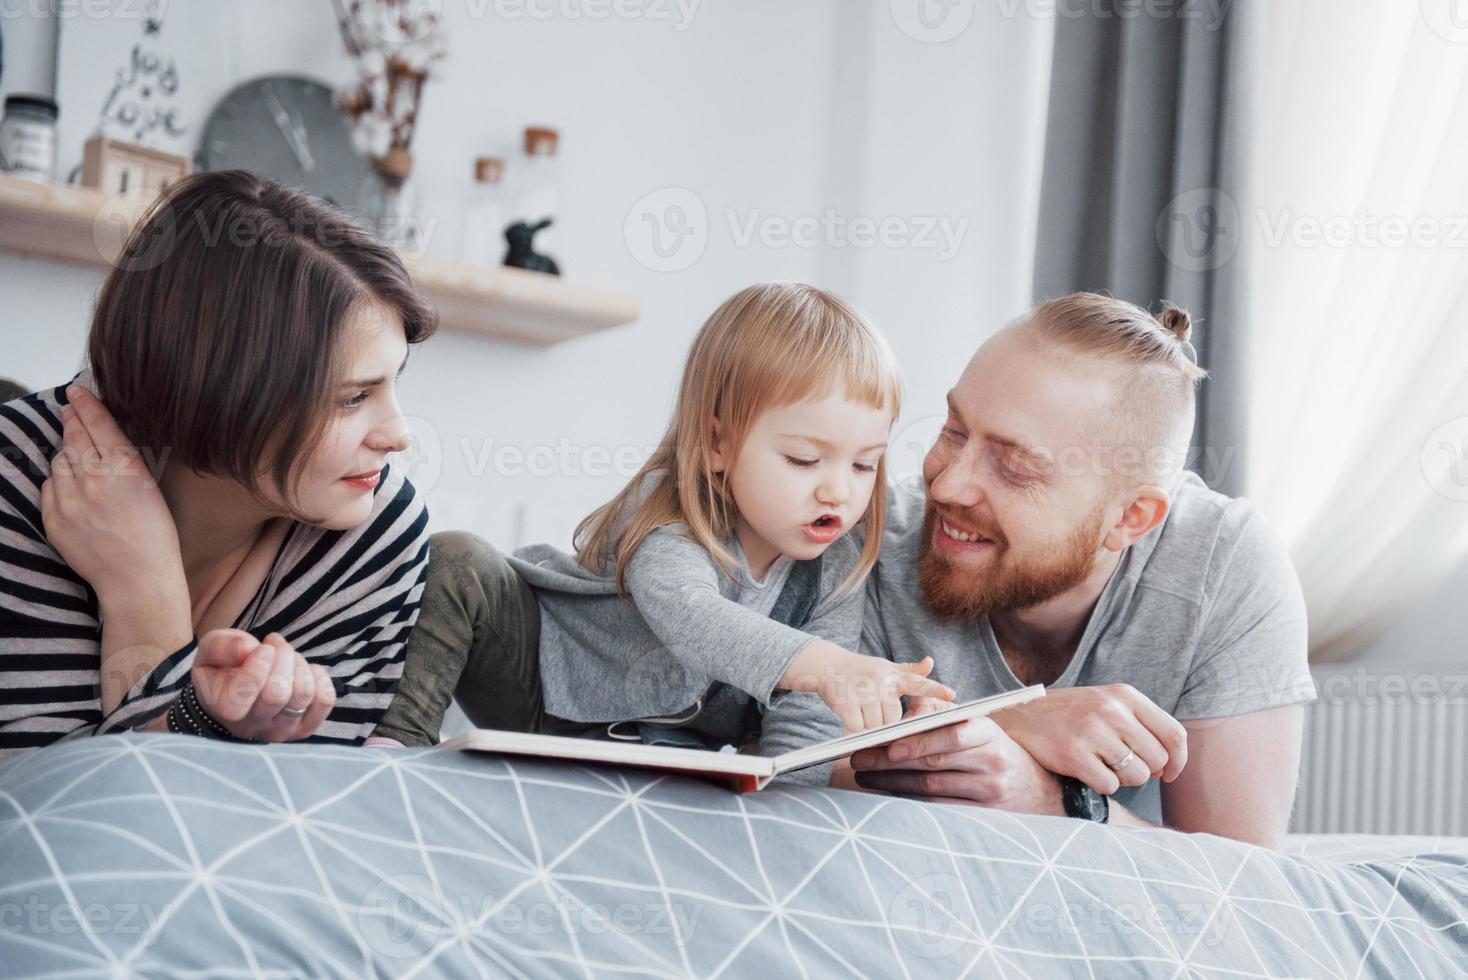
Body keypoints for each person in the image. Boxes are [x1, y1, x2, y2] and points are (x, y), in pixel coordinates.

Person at [372, 282, 953, 778]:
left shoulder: (837, 565)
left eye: (863, 464)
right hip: (540, 685)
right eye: (803, 460)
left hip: (655, 750)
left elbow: (805, 717)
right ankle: (393, 750)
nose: (839, 492)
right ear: (719, 444)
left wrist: (786, 812)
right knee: (459, 560)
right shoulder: (670, 510)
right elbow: (689, 616)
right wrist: (825, 665)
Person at [844, 293, 1315, 846]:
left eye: (1015, 467)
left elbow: (1241, 875)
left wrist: (1052, 800)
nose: (945, 486)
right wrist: (1016, 720)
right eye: (954, 430)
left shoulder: (1222, 566)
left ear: (1130, 518)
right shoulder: (867, 534)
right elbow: (797, 773)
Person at [0, 170, 434, 755]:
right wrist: (143, 592)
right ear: (219, 386)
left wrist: (148, 604)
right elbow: (36, 813)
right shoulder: (18, 478)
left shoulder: (380, 529)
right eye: (352, 397)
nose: (399, 436)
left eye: (393, 382)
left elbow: (296, 820)